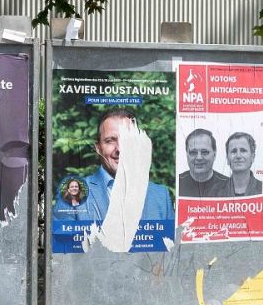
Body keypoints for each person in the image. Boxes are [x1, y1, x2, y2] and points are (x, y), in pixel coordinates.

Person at [55, 108, 175, 252]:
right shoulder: (72, 195)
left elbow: (170, 257)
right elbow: (63, 257)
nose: (119, 148)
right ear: (98, 148)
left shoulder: (161, 196)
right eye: (110, 141)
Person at [178, 128, 229, 197]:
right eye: (193, 152)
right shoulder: (177, 182)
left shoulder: (229, 185)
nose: (199, 157)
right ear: (187, 154)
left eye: (204, 152)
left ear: (214, 154)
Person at [221, 131, 263, 196]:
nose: (238, 156)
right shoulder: (215, 191)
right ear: (227, 158)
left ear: (252, 157)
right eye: (233, 151)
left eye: (243, 150)